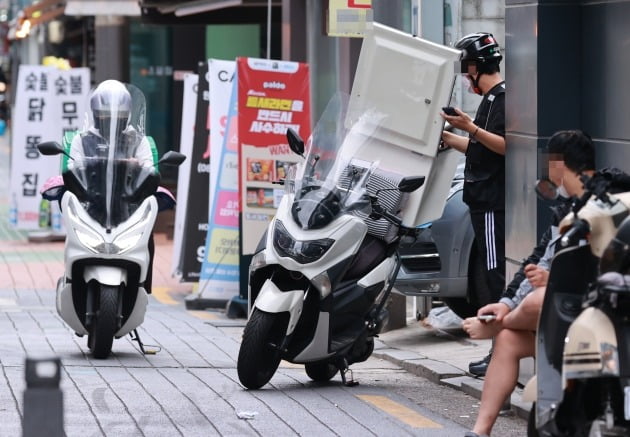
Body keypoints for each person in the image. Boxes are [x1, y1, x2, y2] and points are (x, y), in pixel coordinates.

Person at [461, 130, 597, 437]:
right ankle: (480, 432)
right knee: (509, 339)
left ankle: (495, 325)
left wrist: (555, 280)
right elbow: (536, 260)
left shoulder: (603, 206)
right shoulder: (565, 209)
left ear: (558, 165)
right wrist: (507, 301)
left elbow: (606, 265)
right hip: (561, 318)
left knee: (539, 300)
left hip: (592, 312)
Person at [440, 32, 506, 375]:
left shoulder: (502, 98)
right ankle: (498, 351)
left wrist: (471, 128)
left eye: (467, 72)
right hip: (481, 203)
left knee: (495, 278)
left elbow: (507, 146)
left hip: (493, 203)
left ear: (478, 67)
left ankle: (500, 355)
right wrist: (452, 136)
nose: (467, 79)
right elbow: (481, 148)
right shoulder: (491, 100)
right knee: (493, 278)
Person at [67, 80, 159, 294]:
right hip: (91, 204)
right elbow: (72, 166)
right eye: (105, 117)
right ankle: (72, 280)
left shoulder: (138, 140)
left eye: (117, 118)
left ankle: (143, 285)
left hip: (128, 204)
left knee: (150, 224)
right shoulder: (82, 140)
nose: (111, 122)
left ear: (126, 116)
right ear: (95, 114)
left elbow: (150, 168)